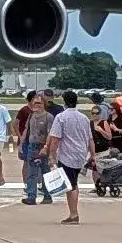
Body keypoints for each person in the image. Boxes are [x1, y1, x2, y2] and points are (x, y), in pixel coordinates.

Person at [43, 91, 90, 224]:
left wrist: (52, 154)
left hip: (67, 155)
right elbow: (89, 137)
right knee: (73, 182)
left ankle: (74, 214)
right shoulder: (84, 118)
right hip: (80, 154)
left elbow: (56, 138)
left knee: (71, 185)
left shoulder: (61, 117)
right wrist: (90, 153)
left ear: (64, 102)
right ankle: (73, 212)